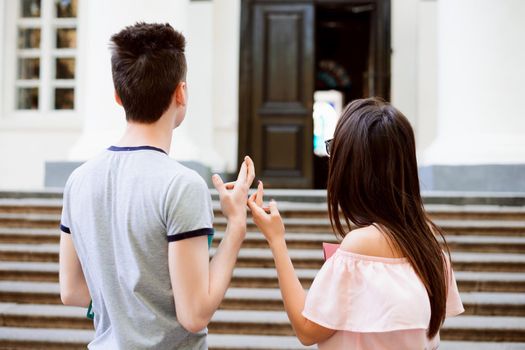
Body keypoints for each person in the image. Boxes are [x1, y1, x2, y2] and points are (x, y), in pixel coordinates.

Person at [58, 22, 254, 349]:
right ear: (181, 93)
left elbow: (72, 291)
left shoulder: (78, 180)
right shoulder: (181, 185)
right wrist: (236, 226)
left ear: (119, 97)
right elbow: (194, 314)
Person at [248, 97, 464, 349]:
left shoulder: (361, 244)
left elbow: (307, 330)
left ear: (354, 168)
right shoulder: (427, 244)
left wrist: (276, 240)